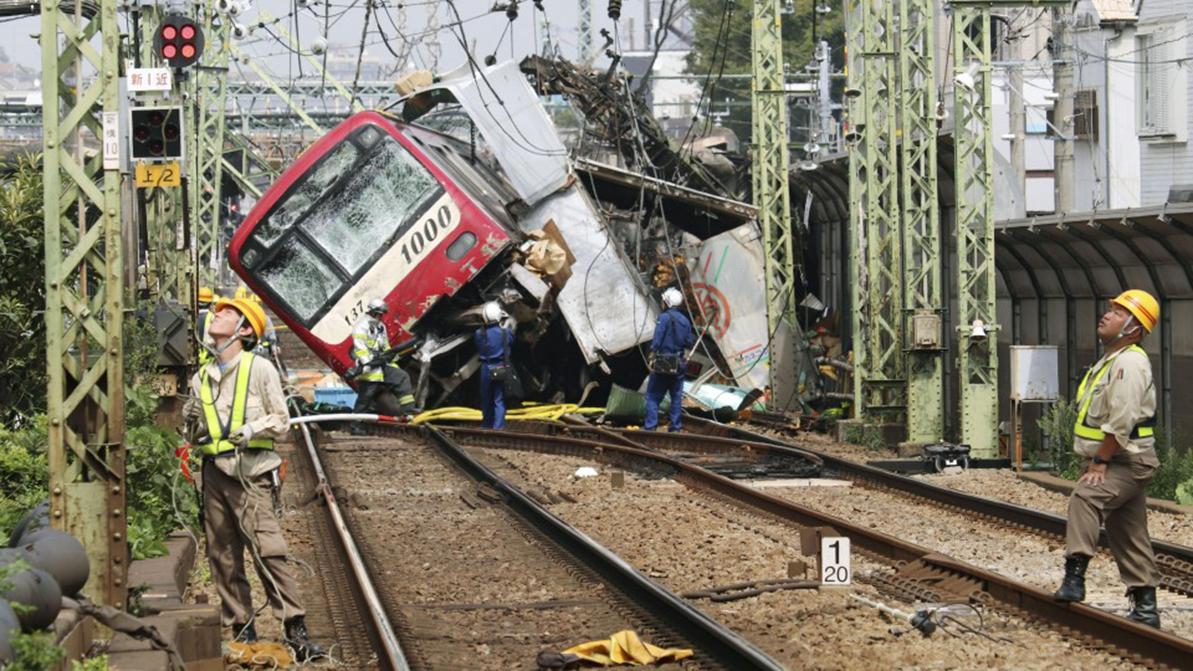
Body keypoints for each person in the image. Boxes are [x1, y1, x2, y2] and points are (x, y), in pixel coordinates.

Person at [183, 297, 326, 660]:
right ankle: (242, 630)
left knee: (268, 551)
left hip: (251, 473)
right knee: (223, 555)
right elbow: (194, 432)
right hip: (214, 473)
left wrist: (251, 428)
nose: (217, 316)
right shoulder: (202, 377)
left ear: (244, 330)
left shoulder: (258, 369)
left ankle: (295, 629)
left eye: (228, 314)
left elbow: (281, 419)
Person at [1053, 289, 1162, 628]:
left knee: (1086, 497)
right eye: (1111, 309)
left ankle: (1075, 576)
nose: (1106, 315)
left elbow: (1122, 420)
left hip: (1127, 461)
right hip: (1120, 459)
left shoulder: (1129, 363)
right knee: (1128, 530)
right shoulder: (1111, 360)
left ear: (1133, 328)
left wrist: (1099, 462)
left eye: (1117, 312)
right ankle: (1146, 608)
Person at [349, 298, 416, 433]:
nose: (381, 317)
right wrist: (368, 362)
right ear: (373, 312)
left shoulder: (380, 327)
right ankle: (356, 425)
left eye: (382, 315)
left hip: (382, 366)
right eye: (379, 314)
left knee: (401, 377)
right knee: (365, 399)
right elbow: (359, 347)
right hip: (369, 371)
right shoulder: (361, 327)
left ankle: (409, 413)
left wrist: (390, 358)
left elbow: (385, 346)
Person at [645, 287, 695, 432]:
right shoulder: (685, 320)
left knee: (653, 396)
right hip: (679, 362)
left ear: (666, 302)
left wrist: (652, 353)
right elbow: (689, 342)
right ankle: (675, 427)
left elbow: (657, 339)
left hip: (663, 361)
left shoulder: (664, 318)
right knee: (676, 397)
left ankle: (650, 427)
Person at [475, 301, 513, 429]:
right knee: (499, 399)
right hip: (500, 367)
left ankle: (486, 425)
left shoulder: (479, 334)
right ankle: (498, 427)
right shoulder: (506, 333)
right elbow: (510, 343)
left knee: (486, 398)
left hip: (485, 367)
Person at [196, 286, 216, 366]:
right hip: (208, 359)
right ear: (210, 303)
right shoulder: (212, 317)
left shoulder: (192, 317)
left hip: (194, 357)